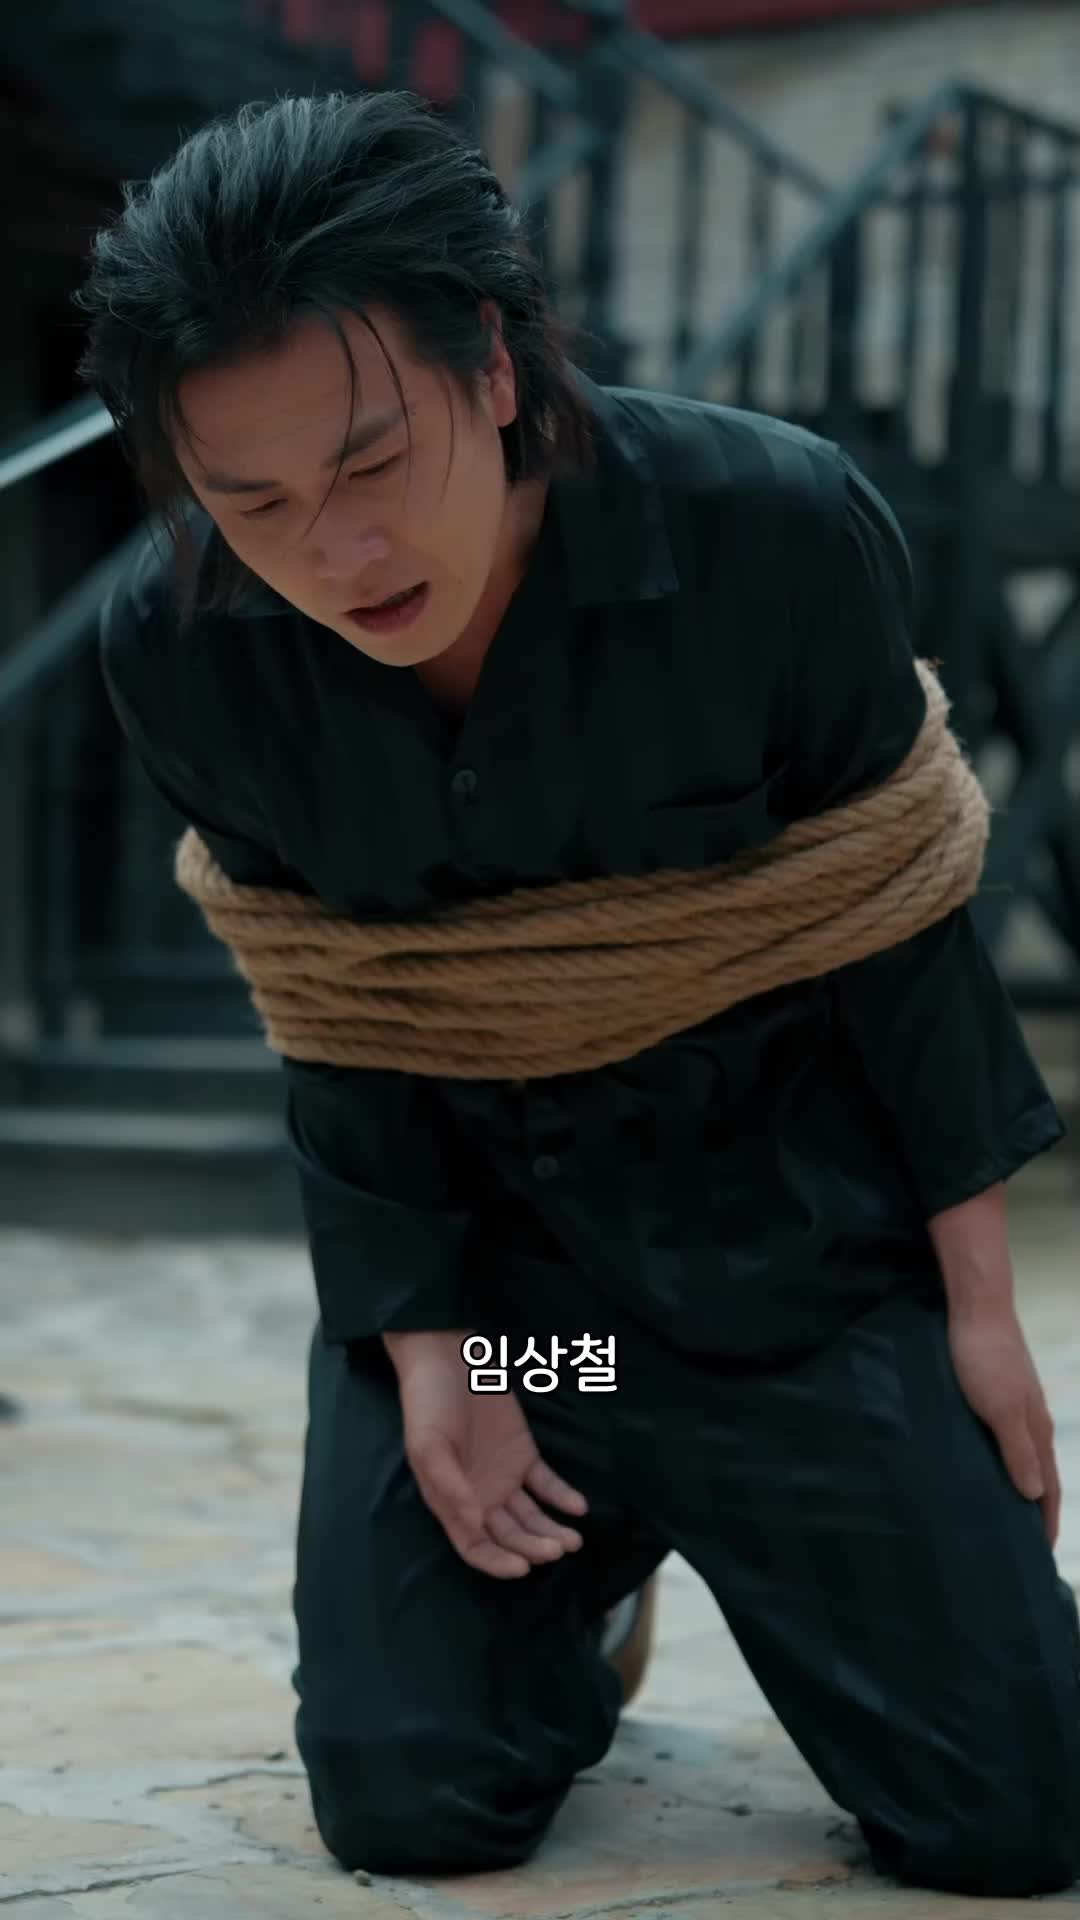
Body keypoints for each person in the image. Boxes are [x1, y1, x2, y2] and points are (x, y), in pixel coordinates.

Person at [78, 89, 1080, 1898]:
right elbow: (338, 1019)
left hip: (797, 1300)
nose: (334, 553)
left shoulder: (773, 531)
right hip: (534, 1321)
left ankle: (749, 1508)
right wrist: (432, 1351)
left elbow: (902, 917)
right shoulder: (189, 649)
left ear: (493, 364)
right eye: (253, 501)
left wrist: (981, 1314)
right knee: (411, 1798)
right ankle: (587, 1589)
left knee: (1015, 1816)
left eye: (370, 465)